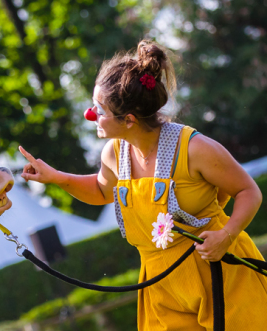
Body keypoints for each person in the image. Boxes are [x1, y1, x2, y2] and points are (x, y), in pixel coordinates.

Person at [19, 40, 267, 330]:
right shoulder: (113, 152)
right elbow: (102, 191)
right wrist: (57, 177)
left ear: (129, 120)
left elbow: (248, 191)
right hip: (160, 286)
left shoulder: (195, 149)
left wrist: (226, 234)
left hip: (220, 273)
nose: (91, 115)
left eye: (99, 109)